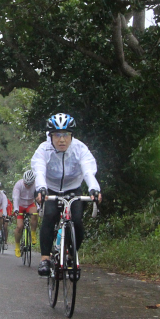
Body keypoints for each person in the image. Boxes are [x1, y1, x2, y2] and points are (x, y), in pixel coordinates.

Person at [32, 113, 102, 276]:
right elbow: (39, 169)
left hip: (73, 189)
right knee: (49, 216)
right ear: (50, 136)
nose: (62, 140)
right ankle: (45, 259)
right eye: (57, 135)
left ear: (72, 136)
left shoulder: (80, 148)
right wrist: (41, 188)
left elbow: (88, 171)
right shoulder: (44, 149)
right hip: (50, 188)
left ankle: (72, 256)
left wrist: (94, 188)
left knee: (77, 221)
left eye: (66, 135)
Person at [12, 170, 38, 257]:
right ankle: (17, 246)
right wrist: (16, 209)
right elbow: (15, 198)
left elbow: (38, 197)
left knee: (35, 214)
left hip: (30, 204)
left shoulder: (36, 185)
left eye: (29, 184)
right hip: (20, 205)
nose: (27, 186)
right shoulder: (18, 185)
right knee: (20, 226)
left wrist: (39, 208)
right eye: (26, 183)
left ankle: (33, 234)